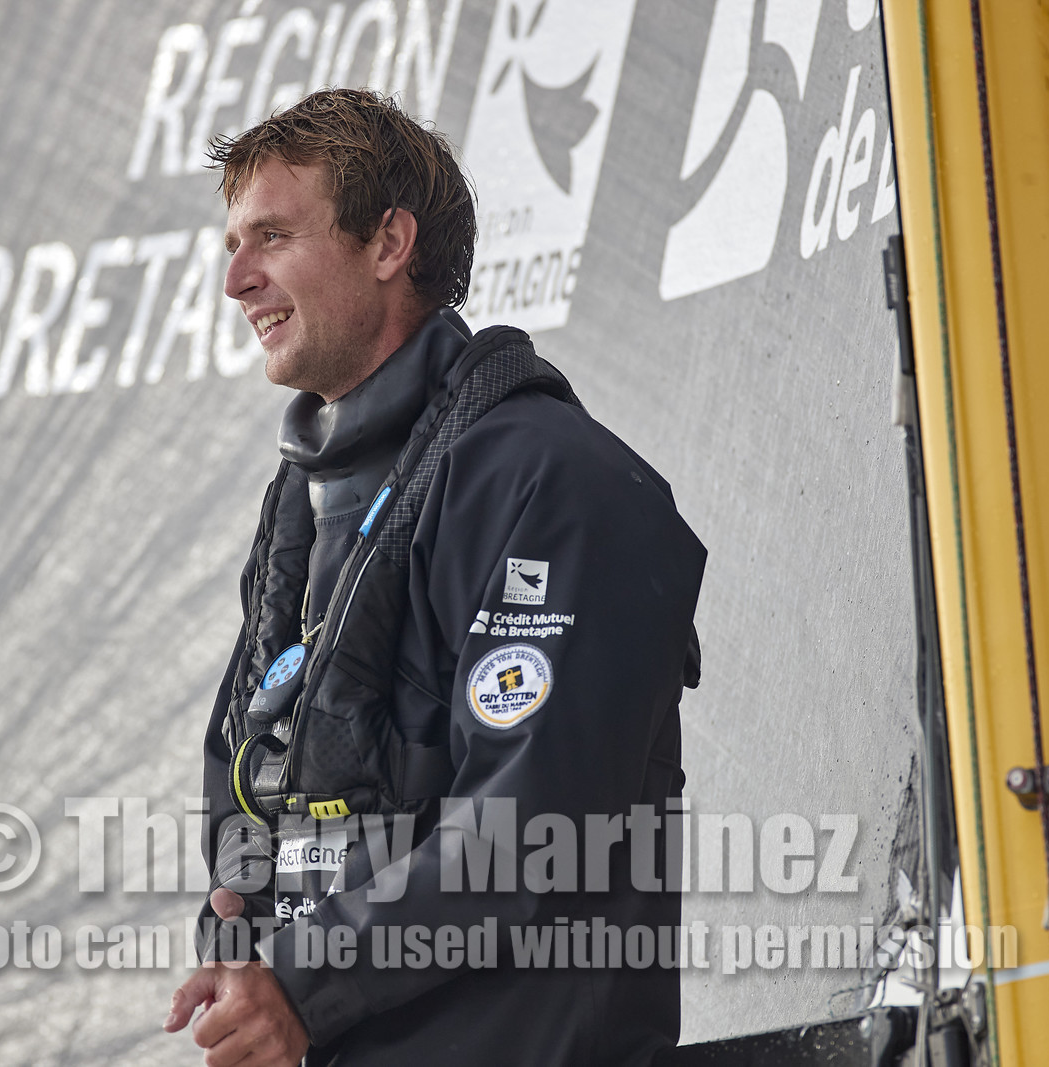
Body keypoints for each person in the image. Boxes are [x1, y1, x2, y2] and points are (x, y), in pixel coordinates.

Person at [163, 88, 704, 1066]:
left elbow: (531, 822)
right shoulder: (303, 505)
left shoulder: (553, 483)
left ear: (387, 243)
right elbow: (242, 786)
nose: (236, 280)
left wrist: (300, 981)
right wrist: (242, 957)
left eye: (272, 237)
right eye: (232, 244)